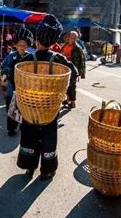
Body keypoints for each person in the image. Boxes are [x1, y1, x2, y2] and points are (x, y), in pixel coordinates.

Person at [17, 14, 79, 179]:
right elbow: (74, 74)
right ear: (54, 41)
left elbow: (12, 77)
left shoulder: (28, 60)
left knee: (30, 135)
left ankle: (29, 166)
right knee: (49, 137)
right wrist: (68, 93)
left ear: (37, 38)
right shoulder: (59, 60)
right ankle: (47, 169)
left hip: (30, 108)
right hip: (50, 108)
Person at [1, 28, 34, 136]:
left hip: (26, 88)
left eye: (24, 45)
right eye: (19, 44)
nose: (22, 47)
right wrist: (6, 73)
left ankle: (24, 126)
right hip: (12, 87)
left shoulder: (31, 57)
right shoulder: (11, 56)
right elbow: (3, 67)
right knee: (11, 109)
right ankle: (11, 128)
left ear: (28, 45)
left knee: (25, 109)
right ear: (16, 45)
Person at [61, 31, 86, 108]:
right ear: (68, 37)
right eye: (71, 38)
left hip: (73, 70)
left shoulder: (78, 49)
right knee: (66, 86)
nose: (73, 40)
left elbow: (82, 62)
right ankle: (68, 99)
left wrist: (80, 73)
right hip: (65, 69)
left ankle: (73, 102)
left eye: (75, 38)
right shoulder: (65, 45)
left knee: (72, 87)